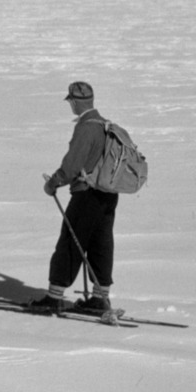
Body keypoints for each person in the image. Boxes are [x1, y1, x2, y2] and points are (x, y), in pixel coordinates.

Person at [41, 81, 116, 314]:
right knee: (100, 243)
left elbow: (72, 165)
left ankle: (54, 298)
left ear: (74, 102)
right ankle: (100, 298)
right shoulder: (106, 125)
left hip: (86, 194)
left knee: (70, 242)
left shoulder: (86, 128)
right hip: (108, 195)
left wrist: (53, 183)